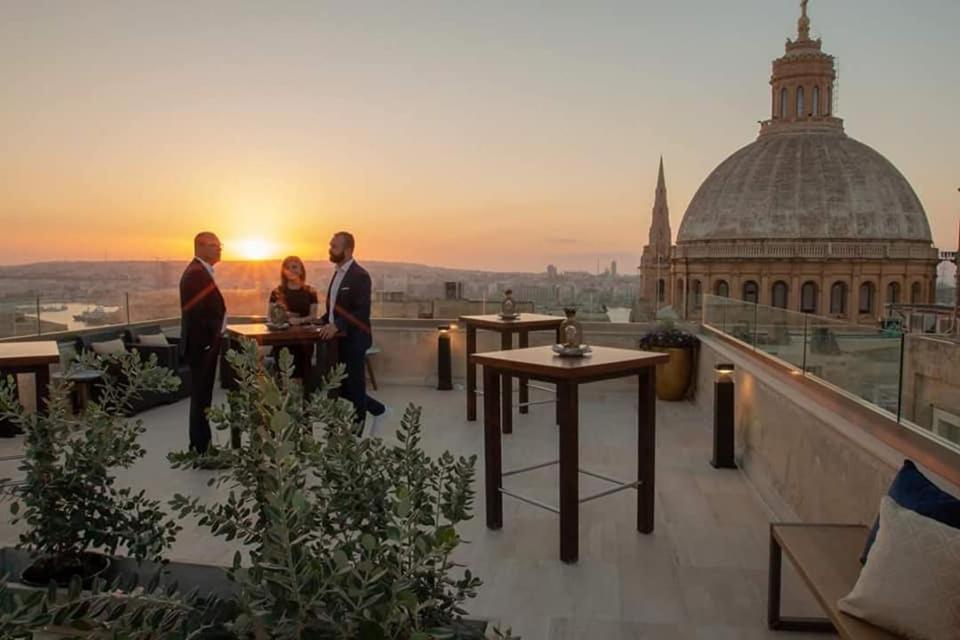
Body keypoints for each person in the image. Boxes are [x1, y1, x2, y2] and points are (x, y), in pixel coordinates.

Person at [318, 232, 386, 434]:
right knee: (341, 388)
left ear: (347, 250)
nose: (330, 249)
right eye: (330, 245)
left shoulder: (360, 276)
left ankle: (357, 436)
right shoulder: (337, 273)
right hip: (336, 342)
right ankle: (378, 410)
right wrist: (317, 320)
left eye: (334, 246)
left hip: (354, 341)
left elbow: (360, 311)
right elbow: (335, 310)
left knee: (354, 388)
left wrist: (337, 325)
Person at [179, 231, 226, 457]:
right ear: (201, 247)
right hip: (202, 347)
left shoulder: (199, 272)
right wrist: (208, 343)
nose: (220, 249)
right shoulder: (196, 274)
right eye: (215, 246)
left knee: (202, 397)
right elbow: (197, 315)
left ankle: (200, 446)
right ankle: (201, 449)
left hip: (204, 345)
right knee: (201, 398)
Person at [267, 255, 319, 379]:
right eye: (287, 267)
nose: (291, 270)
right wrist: (284, 316)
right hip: (282, 338)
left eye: (294, 267)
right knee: (283, 374)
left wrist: (299, 320)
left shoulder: (310, 291)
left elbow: (313, 316)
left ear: (301, 270)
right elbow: (270, 316)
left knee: (303, 373)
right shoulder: (276, 292)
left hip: (304, 339)